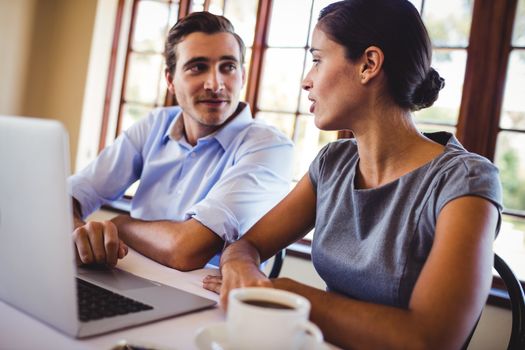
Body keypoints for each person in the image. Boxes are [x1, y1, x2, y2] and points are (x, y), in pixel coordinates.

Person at [202, 0, 502, 348]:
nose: (306, 80)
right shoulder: (332, 163)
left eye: (317, 60)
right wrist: (243, 268)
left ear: (368, 64)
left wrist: (288, 295)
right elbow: (247, 245)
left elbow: (429, 339)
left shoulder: (465, 181)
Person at [69, 12, 293, 271]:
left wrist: (120, 225)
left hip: (203, 296)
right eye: (198, 67)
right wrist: (79, 233)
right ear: (170, 80)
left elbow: (186, 250)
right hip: (130, 273)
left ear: (242, 75)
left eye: (228, 67)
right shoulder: (155, 125)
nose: (215, 83)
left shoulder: (270, 146)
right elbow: (67, 195)